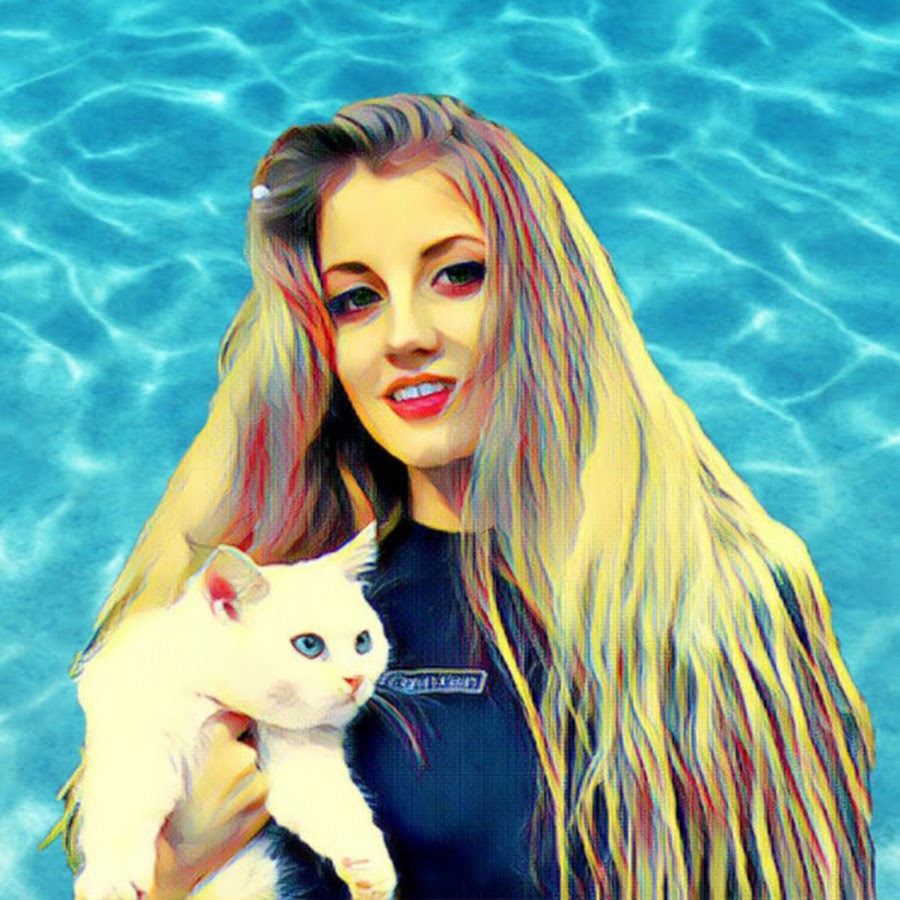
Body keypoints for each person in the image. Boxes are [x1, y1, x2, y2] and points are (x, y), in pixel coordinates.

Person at [53, 94, 874, 898]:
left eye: (457, 275)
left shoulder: (722, 598)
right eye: (356, 298)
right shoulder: (268, 591)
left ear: (544, 297)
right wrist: (172, 869)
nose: (406, 334)